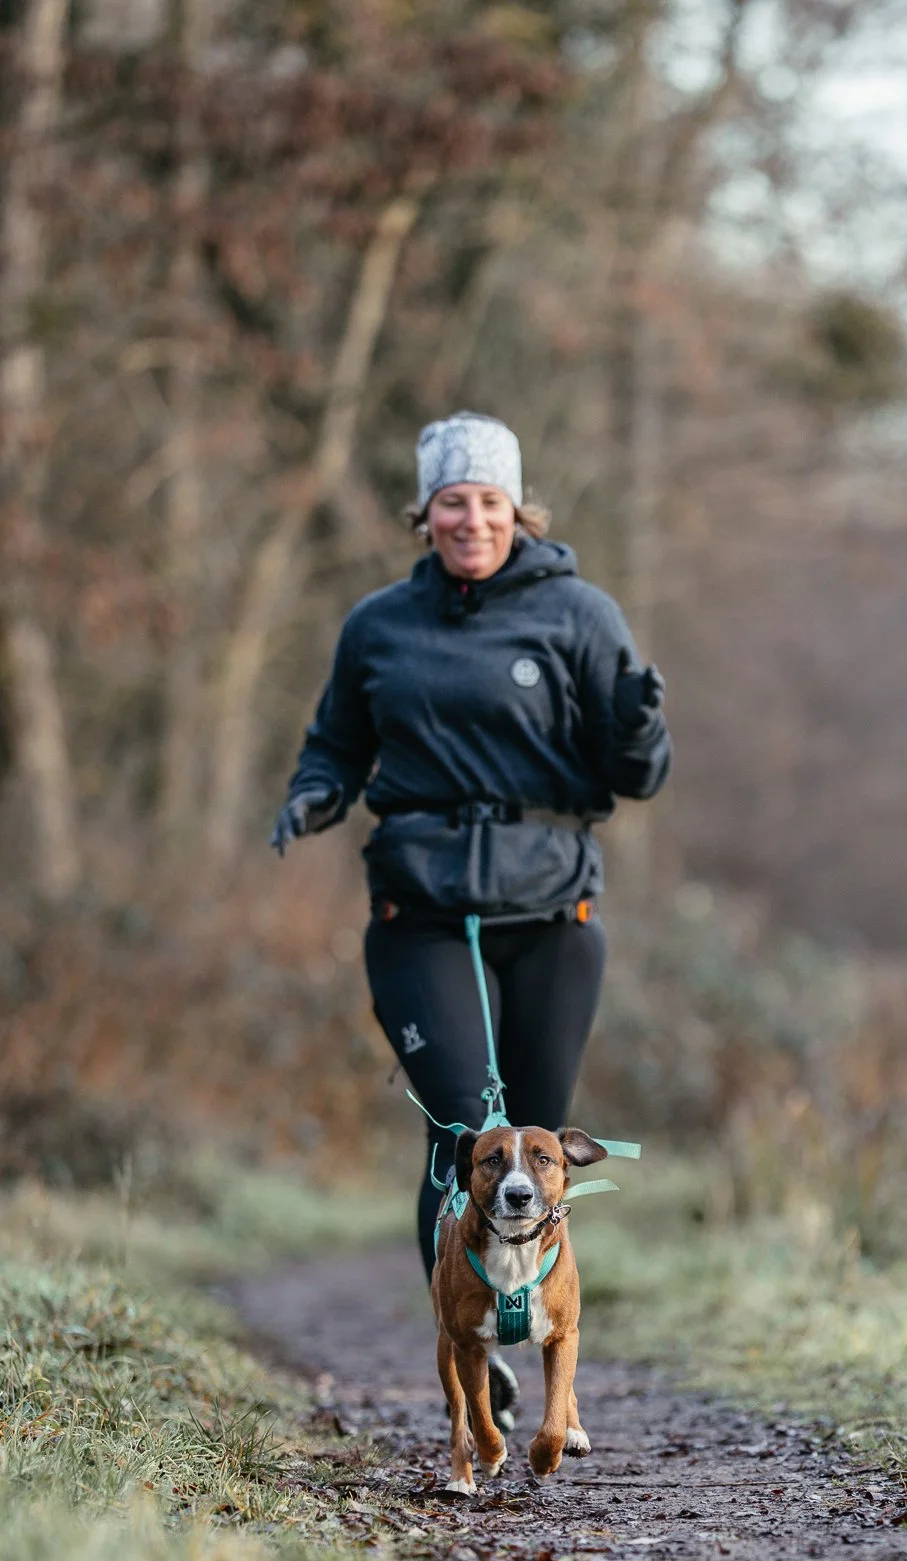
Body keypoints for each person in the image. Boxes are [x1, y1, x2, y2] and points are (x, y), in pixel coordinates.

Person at [272, 411, 671, 1424]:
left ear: (517, 509)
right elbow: (335, 744)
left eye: (490, 500)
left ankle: (540, 1342)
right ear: (427, 512)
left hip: (551, 910)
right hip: (421, 911)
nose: (472, 518)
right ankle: (472, 1342)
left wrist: (638, 721)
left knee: (533, 1152)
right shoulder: (377, 626)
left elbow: (640, 773)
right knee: (464, 1133)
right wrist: (315, 793)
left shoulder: (579, 614)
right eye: (453, 500)